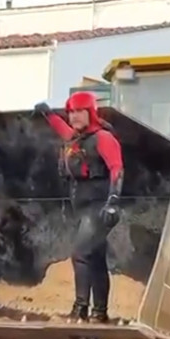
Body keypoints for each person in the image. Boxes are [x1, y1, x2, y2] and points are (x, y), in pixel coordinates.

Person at [34, 92, 124, 323]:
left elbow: (117, 168)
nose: (74, 116)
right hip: (83, 207)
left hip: (99, 208)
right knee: (95, 259)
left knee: (81, 255)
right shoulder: (77, 138)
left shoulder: (103, 138)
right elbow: (63, 131)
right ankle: (100, 313)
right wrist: (49, 115)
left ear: (90, 112)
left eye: (79, 111)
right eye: (71, 112)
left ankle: (80, 310)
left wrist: (113, 201)